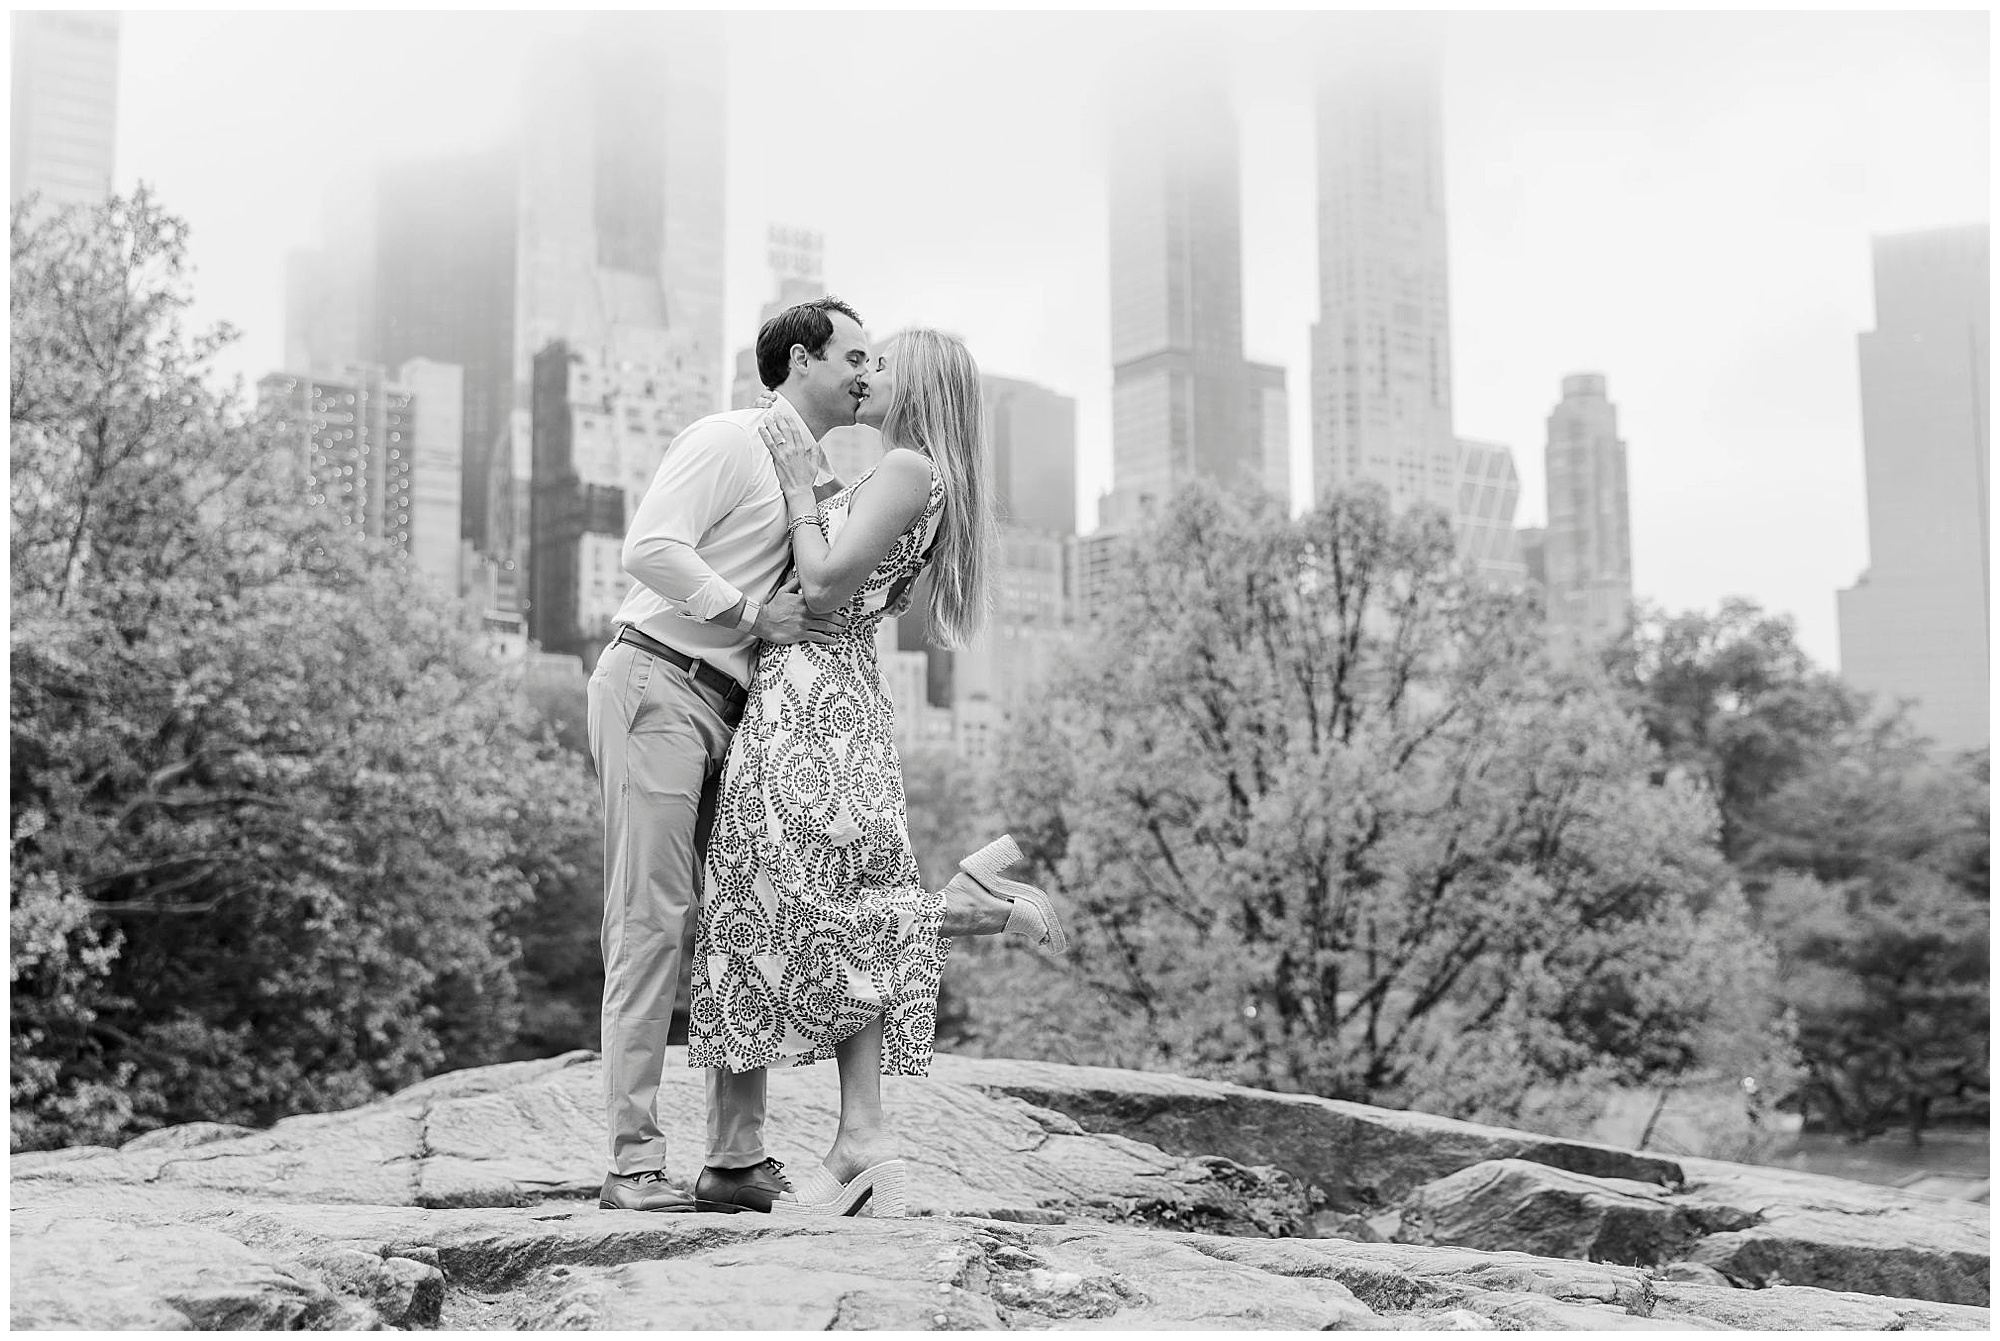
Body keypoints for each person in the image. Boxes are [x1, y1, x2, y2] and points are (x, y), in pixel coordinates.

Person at [687, 327, 1068, 1220]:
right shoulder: (918, 474)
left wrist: (794, 477)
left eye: (882, 361)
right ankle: (860, 1134)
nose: (868, 373)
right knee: (800, 894)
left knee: (786, 899)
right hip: (828, 692)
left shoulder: (907, 468)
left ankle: (973, 909)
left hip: (812, 698)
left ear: (921, 380)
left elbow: (820, 583)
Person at [589, 298, 868, 1214]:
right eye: (853, 356)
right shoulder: (728, 438)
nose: (867, 374)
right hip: (660, 683)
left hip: (738, 715)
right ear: (799, 360)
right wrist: (749, 615)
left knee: (740, 919)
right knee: (652, 919)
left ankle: (734, 1160)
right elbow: (649, 549)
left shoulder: (818, 476)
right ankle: (633, 1163)